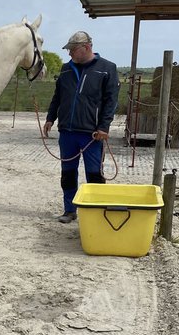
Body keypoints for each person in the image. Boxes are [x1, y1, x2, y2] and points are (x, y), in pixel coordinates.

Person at [42, 30, 120, 223]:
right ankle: (69, 210)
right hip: (67, 132)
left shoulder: (107, 68)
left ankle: (97, 212)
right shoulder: (66, 69)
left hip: (92, 134)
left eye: (72, 50)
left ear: (86, 47)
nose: (69, 53)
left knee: (94, 173)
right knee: (68, 173)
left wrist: (104, 127)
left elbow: (111, 101)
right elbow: (58, 97)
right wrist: (51, 117)